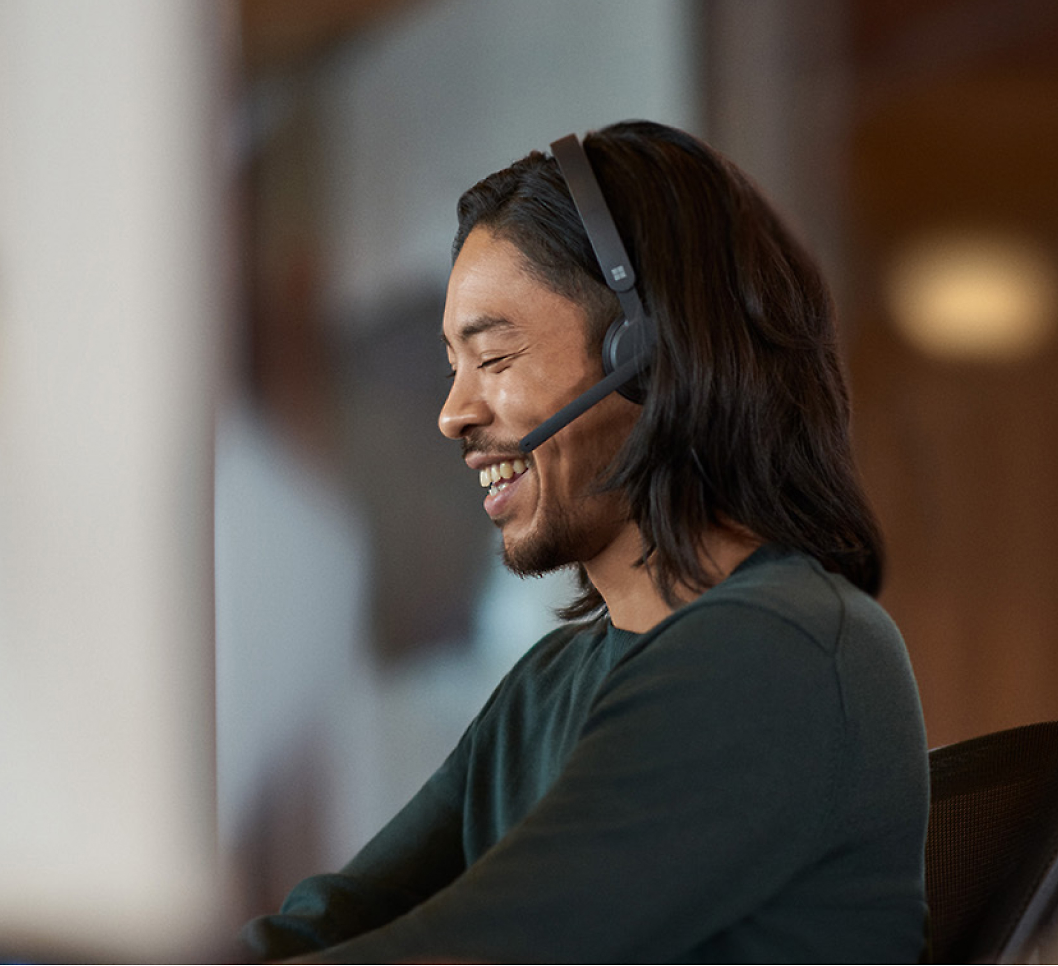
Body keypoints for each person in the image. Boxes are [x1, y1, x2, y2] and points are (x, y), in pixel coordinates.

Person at [243, 120, 929, 963]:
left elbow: (482, 951)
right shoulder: (547, 689)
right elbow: (335, 919)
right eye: (453, 365)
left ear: (642, 355)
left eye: (493, 357)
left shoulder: (778, 652)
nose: (453, 413)